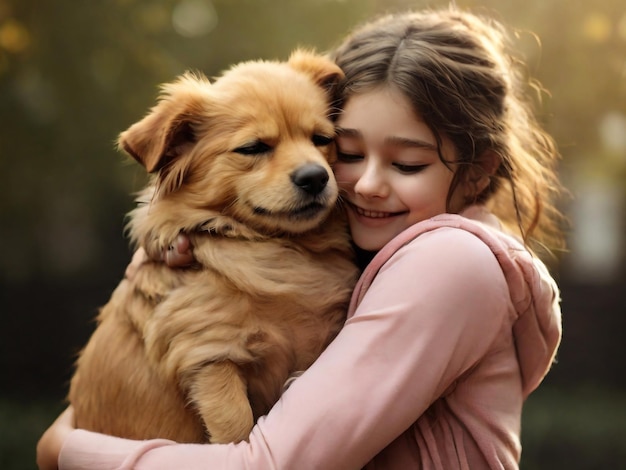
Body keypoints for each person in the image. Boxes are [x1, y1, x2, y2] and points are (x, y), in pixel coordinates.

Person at [37, 5, 566, 469]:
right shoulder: (368, 245)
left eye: (407, 162)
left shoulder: (448, 262)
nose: (338, 175)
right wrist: (165, 247)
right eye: (350, 153)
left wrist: (65, 450)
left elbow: (268, 463)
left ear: (476, 173)